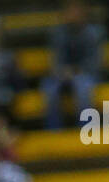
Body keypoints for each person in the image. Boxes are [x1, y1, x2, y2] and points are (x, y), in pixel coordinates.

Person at [42, 0, 105, 131]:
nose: (72, 14)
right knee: (49, 88)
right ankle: (53, 132)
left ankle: (87, 130)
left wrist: (75, 71)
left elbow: (97, 63)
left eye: (76, 10)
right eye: (69, 10)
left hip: (87, 75)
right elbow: (54, 61)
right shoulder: (58, 33)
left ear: (84, 12)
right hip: (62, 75)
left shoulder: (95, 33)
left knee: (82, 87)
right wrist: (61, 71)